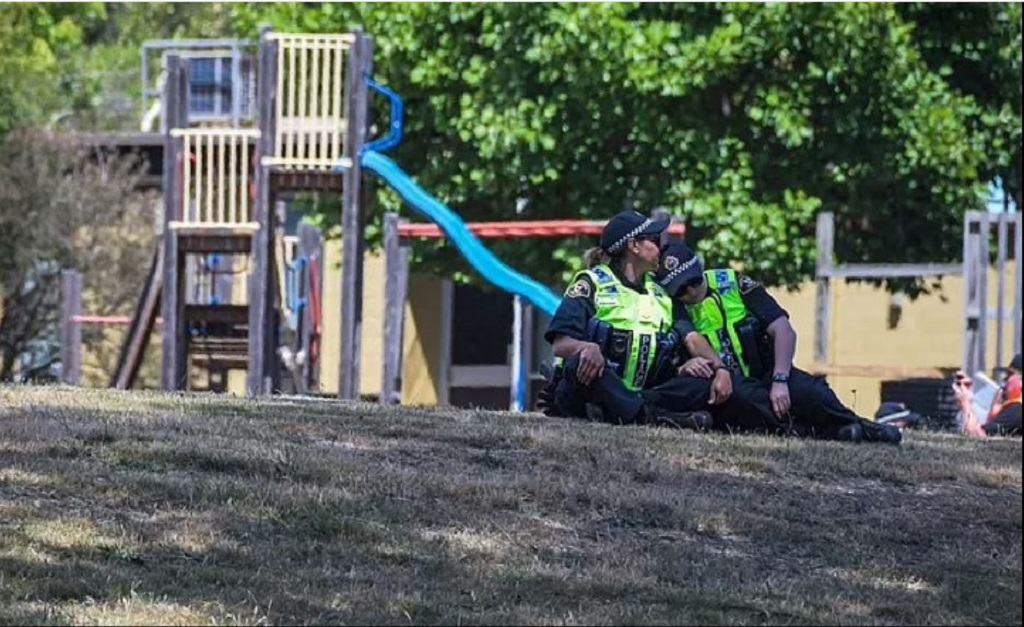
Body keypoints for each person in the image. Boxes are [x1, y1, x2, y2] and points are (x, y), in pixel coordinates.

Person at [653, 242, 901, 444]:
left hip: (768, 371)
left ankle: (861, 426)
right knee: (750, 401)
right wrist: (720, 370)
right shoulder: (673, 306)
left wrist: (780, 379)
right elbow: (692, 338)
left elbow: (782, 329)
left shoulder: (734, 283)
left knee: (811, 391)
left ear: (700, 268)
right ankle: (824, 434)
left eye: (694, 281)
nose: (690, 291)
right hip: (727, 385)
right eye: (681, 289)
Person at [539, 211, 745, 429]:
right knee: (579, 363)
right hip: (595, 386)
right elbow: (561, 344)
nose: (661, 247)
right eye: (654, 240)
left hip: (645, 391)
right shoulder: (592, 283)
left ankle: (625, 411)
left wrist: (720, 369)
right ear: (634, 246)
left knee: (702, 384)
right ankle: (653, 418)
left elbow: (691, 337)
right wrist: (586, 347)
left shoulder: (661, 290)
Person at [952, 353, 1022, 437]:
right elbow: (987, 427)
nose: (1005, 380)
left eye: (1010, 375)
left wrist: (965, 403)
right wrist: (970, 399)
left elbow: (977, 437)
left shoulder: (1017, 410)